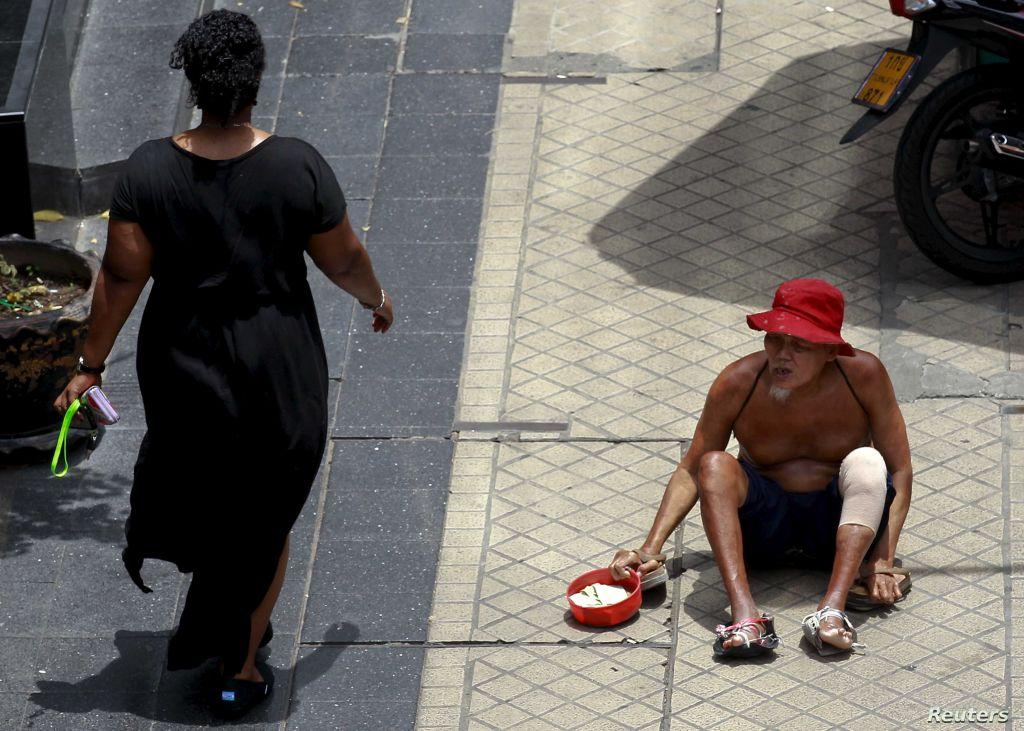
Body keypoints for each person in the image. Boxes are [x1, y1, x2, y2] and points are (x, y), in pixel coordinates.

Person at [53, 10, 394, 716]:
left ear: (193, 81)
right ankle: (241, 661)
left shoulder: (148, 169)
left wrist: (90, 363)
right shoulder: (297, 164)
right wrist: (376, 297)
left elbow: (120, 279)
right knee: (267, 510)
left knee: (213, 491)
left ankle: (221, 613)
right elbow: (345, 258)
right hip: (278, 364)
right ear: (256, 82)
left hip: (182, 362)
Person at [608, 278, 912, 657]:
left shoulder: (864, 375)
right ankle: (745, 614)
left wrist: (883, 558)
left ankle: (832, 609)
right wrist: (650, 547)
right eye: (774, 339)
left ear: (831, 351)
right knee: (714, 464)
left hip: (834, 529)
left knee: (868, 462)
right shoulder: (739, 381)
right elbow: (690, 470)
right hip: (764, 530)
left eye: (800, 345)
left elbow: (898, 470)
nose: (783, 355)